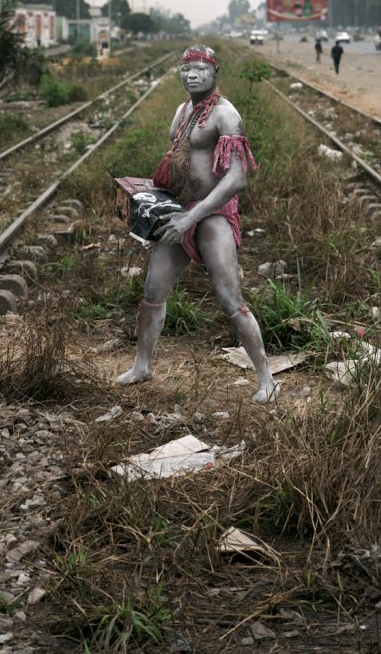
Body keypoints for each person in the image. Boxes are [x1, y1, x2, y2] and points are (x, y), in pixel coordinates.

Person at [116, 45, 280, 404]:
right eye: (186, 69)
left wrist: (194, 215)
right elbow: (180, 162)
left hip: (212, 216)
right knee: (152, 291)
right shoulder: (183, 110)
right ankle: (142, 365)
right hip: (179, 211)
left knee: (228, 298)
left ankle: (266, 379)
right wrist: (151, 201)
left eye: (200, 69)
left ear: (215, 72)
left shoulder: (226, 115)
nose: (192, 75)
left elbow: (236, 179)